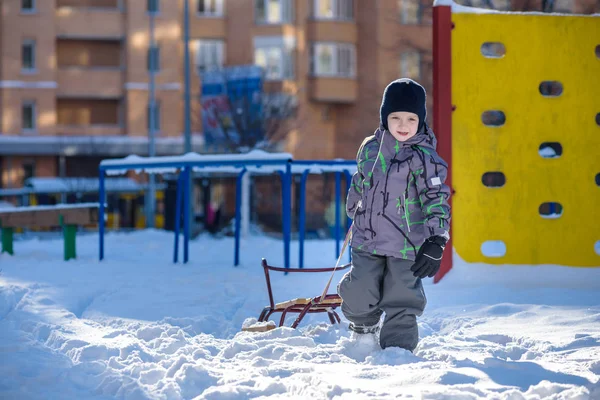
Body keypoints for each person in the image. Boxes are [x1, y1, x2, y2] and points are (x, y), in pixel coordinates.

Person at [338, 78, 451, 352]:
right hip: (367, 238)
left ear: (421, 121)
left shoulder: (426, 159)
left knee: (402, 296)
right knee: (361, 288)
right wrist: (353, 207)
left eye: (411, 119)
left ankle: (398, 350)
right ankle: (364, 330)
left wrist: (436, 239)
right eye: (396, 117)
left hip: (407, 244)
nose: (403, 125)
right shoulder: (370, 148)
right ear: (384, 118)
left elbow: (436, 199)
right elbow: (360, 179)